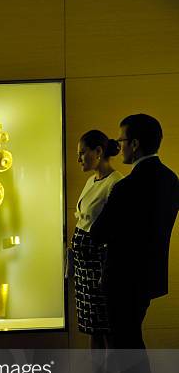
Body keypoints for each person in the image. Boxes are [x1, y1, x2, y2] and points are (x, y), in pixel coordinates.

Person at [90, 114, 179, 373]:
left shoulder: (127, 187)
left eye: (122, 140)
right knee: (133, 343)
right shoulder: (171, 180)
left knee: (128, 348)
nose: (119, 146)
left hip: (122, 278)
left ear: (136, 144)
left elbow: (99, 232)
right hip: (149, 278)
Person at [72, 130, 123, 348]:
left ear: (99, 152)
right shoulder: (91, 181)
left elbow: (115, 228)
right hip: (84, 265)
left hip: (99, 264)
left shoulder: (116, 183)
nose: (79, 159)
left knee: (106, 326)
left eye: (83, 153)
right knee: (92, 326)